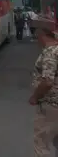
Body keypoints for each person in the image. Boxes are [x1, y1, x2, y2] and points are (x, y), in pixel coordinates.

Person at [29, 18, 58, 156]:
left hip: (51, 105)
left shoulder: (50, 53)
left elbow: (47, 81)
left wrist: (35, 96)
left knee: (41, 143)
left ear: (41, 34)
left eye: (36, 35)